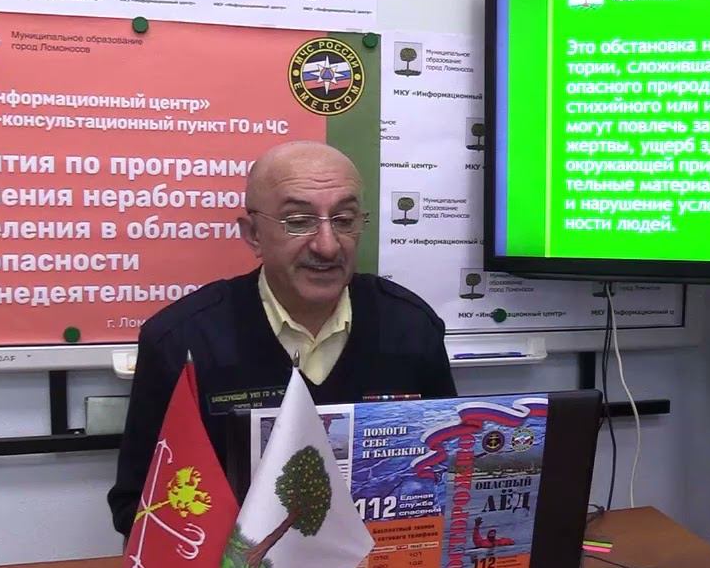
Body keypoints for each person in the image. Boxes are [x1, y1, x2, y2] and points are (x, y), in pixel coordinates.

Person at [108, 141, 457, 535]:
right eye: (299, 221)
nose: (327, 245)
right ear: (253, 234)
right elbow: (137, 505)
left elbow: (446, 475)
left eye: (344, 220)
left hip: (383, 563)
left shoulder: (411, 328)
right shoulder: (182, 341)